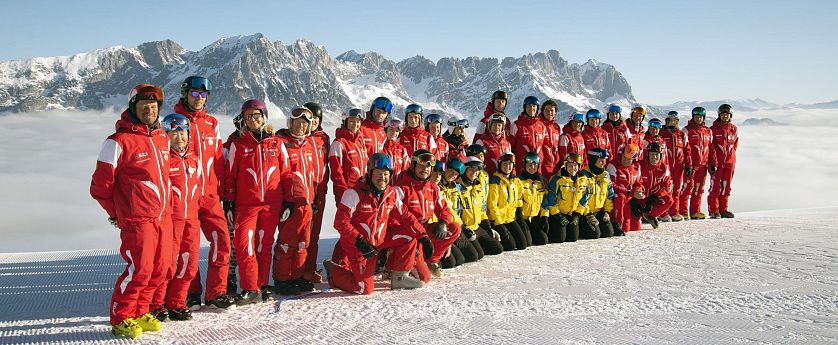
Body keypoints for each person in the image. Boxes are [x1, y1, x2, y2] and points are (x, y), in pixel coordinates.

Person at [91, 84, 169, 338]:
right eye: (144, 105)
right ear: (133, 107)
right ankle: (121, 317)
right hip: (137, 219)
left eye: (153, 105)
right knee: (140, 269)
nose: (149, 109)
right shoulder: (117, 142)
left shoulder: (161, 137)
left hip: (162, 217)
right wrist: (118, 213)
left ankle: (141, 311)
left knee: (160, 269)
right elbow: (100, 187)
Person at [323, 153, 428, 294]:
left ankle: (399, 277)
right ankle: (334, 271)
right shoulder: (353, 193)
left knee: (409, 235)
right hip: (358, 247)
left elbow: (405, 216)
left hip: (378, 242)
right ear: (370, 173)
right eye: (378, 173)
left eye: (386, 174)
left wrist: (423, 236)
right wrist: (360, 242)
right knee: (364, 289)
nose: (382, 178)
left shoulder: (390, 193)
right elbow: (340, 222)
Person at [174, 76, 234, 311]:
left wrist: (224, 193)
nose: (199, 98)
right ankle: (191, 293)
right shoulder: (173, 121)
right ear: (186, 94)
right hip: (185, 197)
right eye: (195, 93)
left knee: (222, 241)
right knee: (188, 248)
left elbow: (218, 159)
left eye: (203, 94)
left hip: (210, 195)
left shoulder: (212, 123)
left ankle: (216, 293)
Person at [220, 99, 281, 305]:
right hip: (246, 205)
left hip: (271, 204)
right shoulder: (238, 144)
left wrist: (289, 201)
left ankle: (261, 287)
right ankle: (250, 287)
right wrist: (229, 202)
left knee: (264, 246)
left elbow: (286, 174)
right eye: (248, 116)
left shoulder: (276, 143)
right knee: (244, 245)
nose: (252, 119)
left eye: (256, 115)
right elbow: (230, 176)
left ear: (264, 117)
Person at [272, 106, 319, 296]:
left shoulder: (308, 145)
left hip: (307, 202)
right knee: (287, 242)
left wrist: (313, 198)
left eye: (304, 124)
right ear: (290, 123)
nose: (301, 126)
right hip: (290, 203)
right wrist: (285, 201)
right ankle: (282, 279)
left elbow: (312, 174)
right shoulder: (281, 143)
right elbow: (278, 175)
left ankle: (297, 276)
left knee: (302, 243)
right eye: (297, 122)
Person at [395, 149, 462, 280]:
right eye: (421, 166)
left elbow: (444, 210)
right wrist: (418, 236)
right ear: (413, 166)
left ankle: (431, 260)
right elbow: (395, 219)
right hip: (408, 233)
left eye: (428, 167)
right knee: (423, 278)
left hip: (424, 230)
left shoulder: (432, 188)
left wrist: (443, 223)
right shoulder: (401, 188)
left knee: (454, 228)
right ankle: (394, 263)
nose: (425, 170)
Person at [160, 113, 201, 321]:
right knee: (167, 264)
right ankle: (157, 304)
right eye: (174, 133)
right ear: (166, 135)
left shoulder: (194, 159)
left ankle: (176, 302)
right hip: (171, 220)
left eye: (183, 133)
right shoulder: (164, 160)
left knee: (189, 264)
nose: (179, 138)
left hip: (191, 220)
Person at [434, 159, 481, 269]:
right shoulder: (437, 188)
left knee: (475, 255)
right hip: (442, 227)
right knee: (456, 261)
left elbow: (455, 210)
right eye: (451, 171)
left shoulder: (454, 188)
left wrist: (462, 226)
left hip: (455, 225)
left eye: (456, 174)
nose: (453, 175)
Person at [302, 102, 329, 284]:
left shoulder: (323, 138)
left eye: (316, 119)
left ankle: (309, 269)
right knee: (300, 234)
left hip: (320, 192)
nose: (312, 122)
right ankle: (296, 271)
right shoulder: (298, 137)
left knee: (314, 234)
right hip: (303, 193)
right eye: (309, 118)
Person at [458, 157, 505, 256]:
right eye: (471, 169)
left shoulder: (477, 187)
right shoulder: (458, 187)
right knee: (476, 255)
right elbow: (455, 211)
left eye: (477, 170)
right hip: (465, 228)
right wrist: (463, 228)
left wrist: (487, 225)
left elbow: (481, 209)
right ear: (465, 170)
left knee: (498, 248)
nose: (474, 172)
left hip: (476, 226)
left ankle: (476, 245)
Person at [487, 152, 528, 251]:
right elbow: (492, 205)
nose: (507, 167)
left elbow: (519, 198)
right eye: (505, 164)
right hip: (498, 220)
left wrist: (520, 217)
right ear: (500, 164)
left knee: (523, 244)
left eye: (510, 164)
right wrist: (499, 224)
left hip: (510, 219)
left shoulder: (515, 181)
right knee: (510, 246)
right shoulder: (495, 181)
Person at [545, 153, 590, 243]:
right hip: (559, 214)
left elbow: (584, 198)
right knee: (560, 239)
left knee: (573, 238)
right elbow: (551, 198)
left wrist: (577, 214)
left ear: (579, 166)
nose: (572, 168)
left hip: (572, 214)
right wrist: (558, 215)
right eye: (570, 165)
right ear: (565, 165)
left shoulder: (583, 179)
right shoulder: (557, 179)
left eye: (575, 166)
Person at [630, 142, 674, 230]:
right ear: (647, 154)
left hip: (652, 199)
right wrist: (635, 197)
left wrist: (656, 197)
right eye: (652, 154)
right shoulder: (638, 165)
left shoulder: (664, 167)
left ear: (661, 156)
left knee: (668, 199)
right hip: (639, 198)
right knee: (635, 227)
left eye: (657, 155)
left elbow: (667, 186)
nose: (654, 157)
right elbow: (634, 182)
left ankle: (649, 215)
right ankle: (638, 215)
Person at [329, 108, 369, 203]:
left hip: (363, 192)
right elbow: (336, 173)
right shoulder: (339, 143)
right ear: (345, 121)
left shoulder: (360, 142)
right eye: (352, 121)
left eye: (358, 121)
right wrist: (343, 193)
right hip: (347, 193)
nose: (355, 124)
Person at [708, 104, 739, 219]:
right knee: (715, 187)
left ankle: (723, 209)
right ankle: (714, 210)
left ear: (730, 115)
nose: (725, 116)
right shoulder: (713, 129)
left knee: (726, 187)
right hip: (716, 163)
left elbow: (735, 144)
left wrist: (730, 158)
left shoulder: (734, 129)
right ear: (719, 115)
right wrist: (713, 162)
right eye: (723, 114)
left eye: (727, 114)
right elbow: (711, 148)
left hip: (730, 163)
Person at [660, 111, 691, 222]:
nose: (672, 122)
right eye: (670, 120)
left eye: (675, 120)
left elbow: (687, 150)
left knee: (676, 189)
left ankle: (674, 211)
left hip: (679, 166)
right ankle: (664, 212)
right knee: (665, 189)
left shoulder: (681, 134)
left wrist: (689, 165)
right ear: (666, 121)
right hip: (666, 167)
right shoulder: (662, 133)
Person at [683, 107, 713, 220]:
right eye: (696, 116)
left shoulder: (708, 131)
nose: (698, 118)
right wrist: (688, 164)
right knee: (687, 188)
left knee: (699, 189)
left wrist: (713, 163)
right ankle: (683, 211)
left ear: (703, 118)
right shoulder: (686, 130)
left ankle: (695, 211)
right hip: (691, 165)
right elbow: (684, 149)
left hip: (703, 165)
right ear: (693, 117)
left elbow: (711, 149)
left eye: (701, 117)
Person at [580, 148, 616, 239]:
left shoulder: (606, 175)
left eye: (604, 159)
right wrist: (588, 214)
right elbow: (580, 198)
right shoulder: (583, 175)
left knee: (608, 233)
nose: (603, 162)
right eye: (600, 160)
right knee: (595, 234)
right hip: (585, 213)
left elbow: (610, 195)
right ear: (593, 160)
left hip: (599, 212)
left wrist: (607, 211)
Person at [606, 144, 641, 235]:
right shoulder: (612, 165)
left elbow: (638, 184)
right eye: (624, 157)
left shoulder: (636, 167)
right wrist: (629, 192)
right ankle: (616, 223)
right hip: (616, 198)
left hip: (628, 199)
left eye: (629, 159)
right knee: (620, 197)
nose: (625, 160)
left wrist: (639, 192)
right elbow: (611, 185)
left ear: (633, 160)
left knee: (635, 227)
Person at [509, 96, 547, 175]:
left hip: (537, 167)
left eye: (534, 106)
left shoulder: (541, 126)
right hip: (521, 167)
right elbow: (511, 147)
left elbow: (544, 146)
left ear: (537, 108)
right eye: (529, 106)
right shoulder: (516, 125)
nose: (531, 108)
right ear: (524, 108)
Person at [518, 152, 550, 245]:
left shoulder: (541, 181)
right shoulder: (519, 181)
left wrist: (544, 217)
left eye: (535, 165)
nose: (532, 167)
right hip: (523, 218)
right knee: (527, 243)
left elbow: (545, 202)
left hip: (534, 218)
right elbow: (516, 202)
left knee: (543, 240)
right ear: (524, 165)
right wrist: (520, 218)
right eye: (529, 165)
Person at [382, 117, 410, 184]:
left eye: (397, 131)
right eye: (391, 129)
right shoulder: (380, 147)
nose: (394, 133)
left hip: (398, 187)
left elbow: (407, 170)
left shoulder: (402, 150)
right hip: (383, 187)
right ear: (386, 130)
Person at [540, 99, 563, 177]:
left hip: (555, 167)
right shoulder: (538, 124)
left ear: (555, 112)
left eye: (552, 111)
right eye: (547, 110)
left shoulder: (556, 127)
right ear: (542, 111)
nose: (549, 113)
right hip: (542, 166)